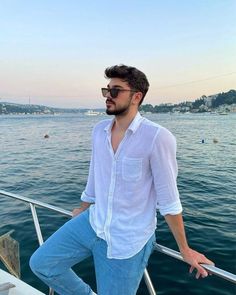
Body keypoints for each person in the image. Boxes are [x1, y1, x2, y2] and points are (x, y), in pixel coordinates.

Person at [30, 65, 214, 295]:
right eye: (106, 90)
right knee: (42, 264)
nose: (108, 96)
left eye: (115, 91)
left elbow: (169, 201)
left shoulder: (158, 138)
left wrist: (184, 249)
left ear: (137, 96)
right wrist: (84, 207)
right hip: (93, 222)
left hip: (128, 240)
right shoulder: (99, 131)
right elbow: (94, 176)